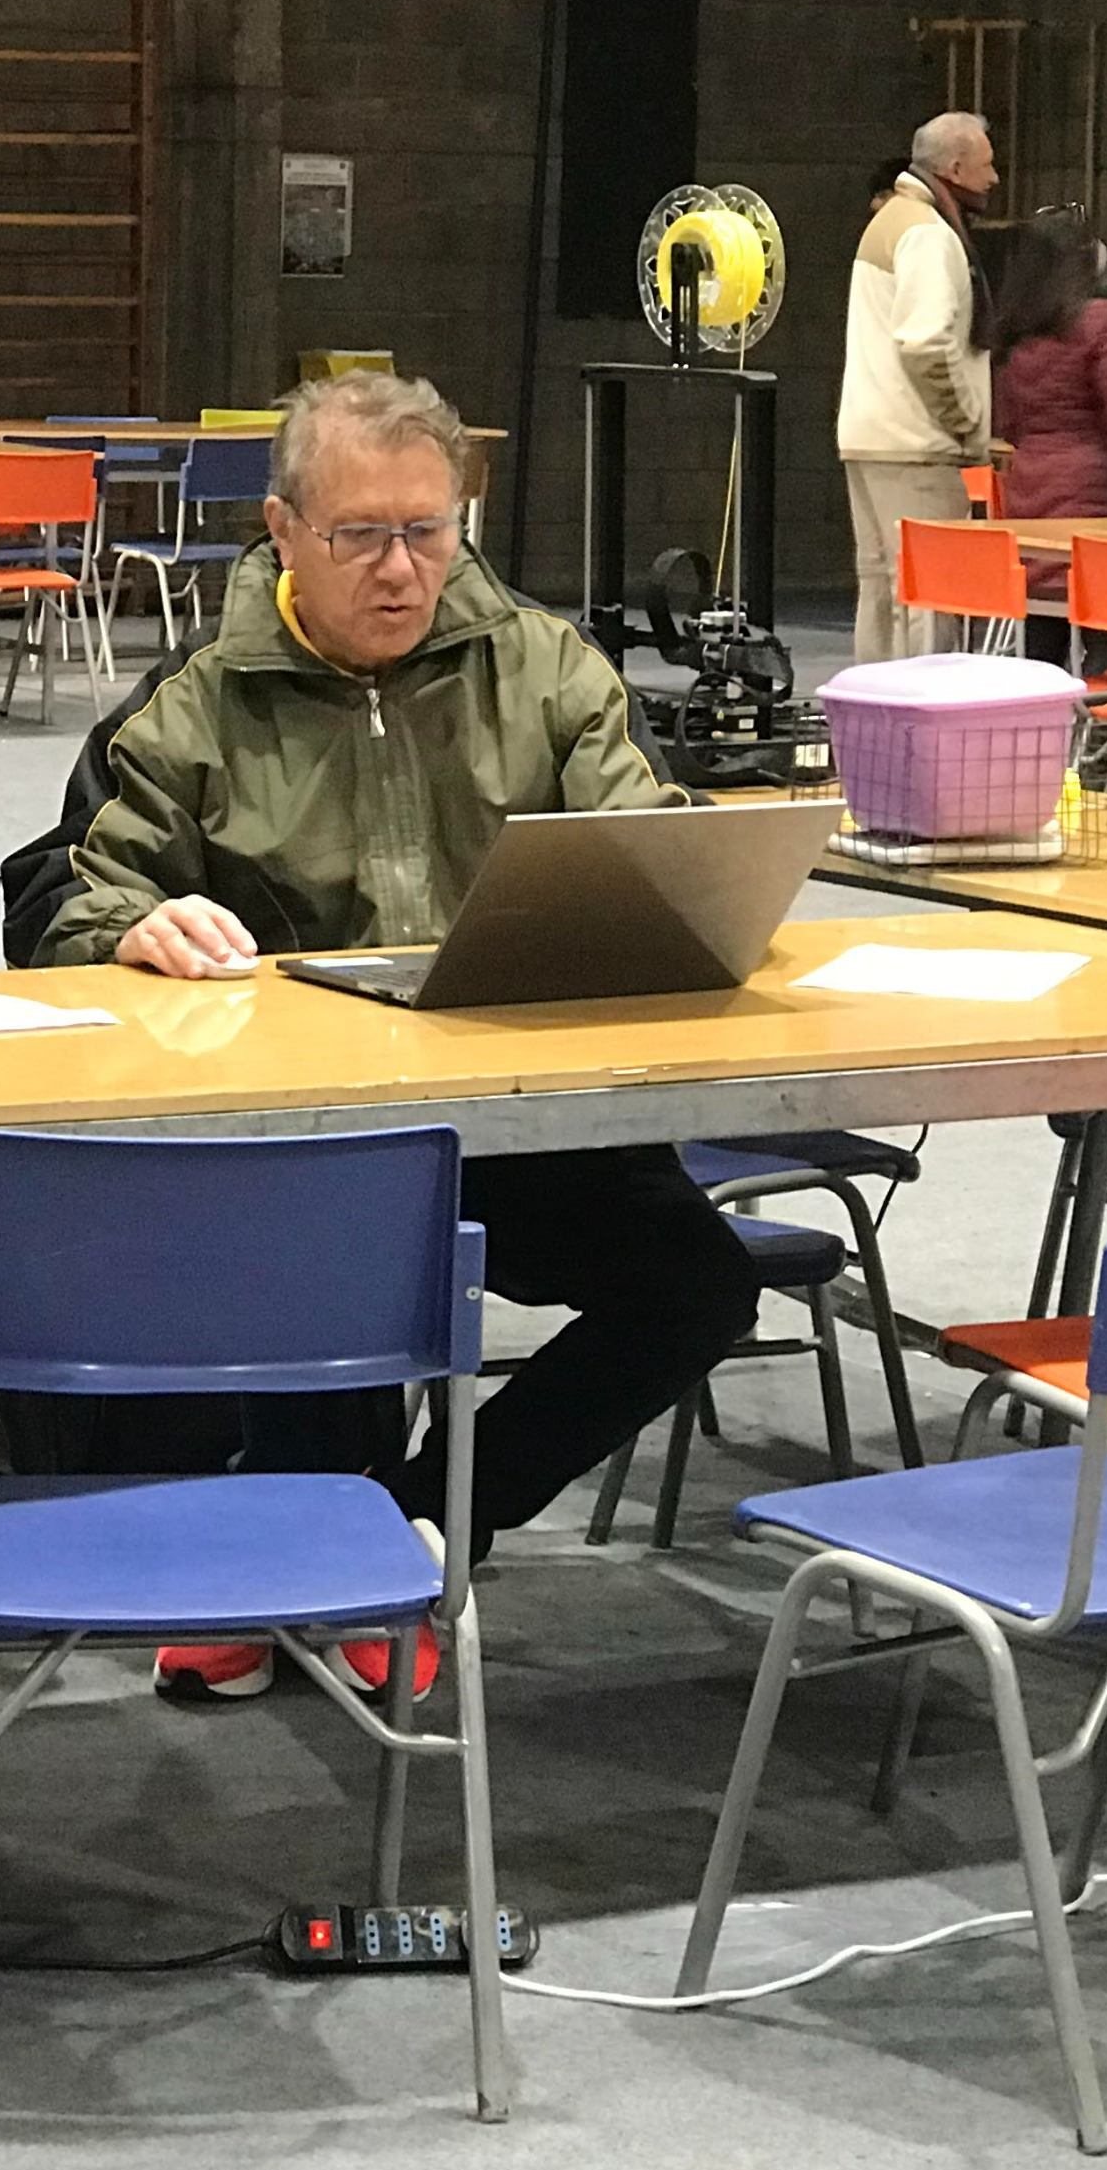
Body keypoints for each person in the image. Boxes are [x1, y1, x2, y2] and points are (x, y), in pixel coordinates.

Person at [37, 372, 766, 1700]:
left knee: (697, 1284)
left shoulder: (545, 668)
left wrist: (686, 886)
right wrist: (129, 925)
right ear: (280, 531)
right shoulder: (193, 702)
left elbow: (647, 850)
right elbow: (65, 894)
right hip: (302, 1145)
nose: (399, 568)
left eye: (428, 531)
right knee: (334, 1295)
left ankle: (418, 1528)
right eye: (360, 534)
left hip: (526, 1120)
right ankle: (312, 1566)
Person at [840, 111, 1001, 661]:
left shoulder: (890, 218)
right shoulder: (929, 234)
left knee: (881, 593)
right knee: (928, 600)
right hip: (916, 445)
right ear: (954, 167)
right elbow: (926, 343)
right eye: (986, 165)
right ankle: (922, 713)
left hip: (870, 436)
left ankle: (871, 712)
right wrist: (965, 420)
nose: (994, 177)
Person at [992, 204, 1107, 662]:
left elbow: (1009, 425)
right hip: (1101, 517)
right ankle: (1100, 711)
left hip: (1031, 508)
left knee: (1039, 652)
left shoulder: (1017, 336)